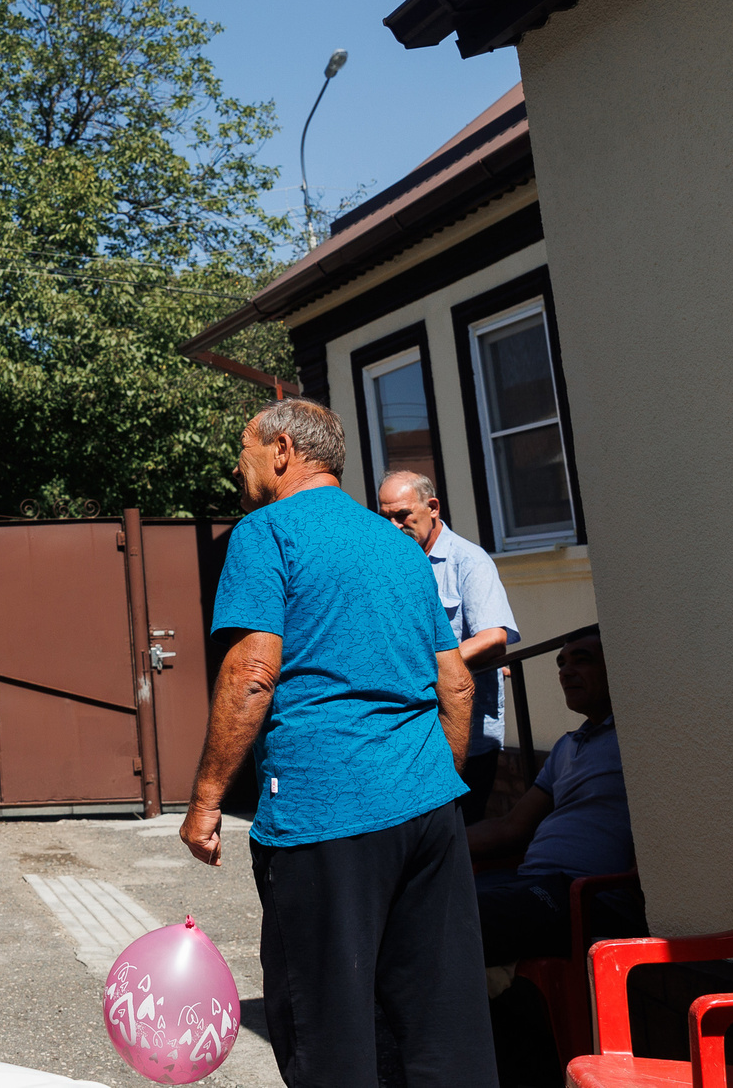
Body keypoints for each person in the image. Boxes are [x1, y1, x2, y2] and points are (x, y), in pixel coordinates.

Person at [180, 398, 496, 1088]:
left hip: (326, 815)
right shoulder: (402, 546)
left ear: (284, 450)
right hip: (429, 811)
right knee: (442, 1023)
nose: (239, 465)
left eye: (246, 449)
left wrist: (205, 798)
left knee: (329, 1029)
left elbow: (253, 674)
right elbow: (458, 687)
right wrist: (425, 781)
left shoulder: (265, 533)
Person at [467, 631, 643, 966]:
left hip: (587, 897)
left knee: (453, 918)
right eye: (561, 663)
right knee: (424, 902)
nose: (565, 671)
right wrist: (430, 844)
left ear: (617, 667)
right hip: (531, 882)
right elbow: (510, 827)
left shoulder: (640, 738)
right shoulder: (568, 745)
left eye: (582, 660)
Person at [378, 472, 518, 823]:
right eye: (386, 518)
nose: (394, 527)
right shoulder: (390, 567)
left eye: (403, 515)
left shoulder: (468, 561)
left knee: (460, 831)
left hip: (465, 733)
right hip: (410, 730)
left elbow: (493, 637)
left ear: (433, 507)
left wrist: (427, 665)